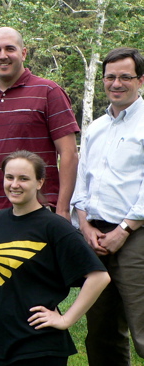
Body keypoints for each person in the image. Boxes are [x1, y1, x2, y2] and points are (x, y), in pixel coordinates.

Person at [0, 150, 110, 366]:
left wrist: (66, 319)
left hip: (37, 345)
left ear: (39, 183)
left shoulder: (54, 226)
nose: (14, 184)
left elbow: (99, 277)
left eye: (23, 178)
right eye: (9, 177)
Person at [0, 27, 80, 253]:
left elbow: (69, 153)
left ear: (23, 53)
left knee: (33, 283)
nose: (2, 55)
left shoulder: (49, 91)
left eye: (10, 48)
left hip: (35, 210)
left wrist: (62, 209)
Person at [71, 47, 144, 366]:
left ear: (140, 80)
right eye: (110, 77)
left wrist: (125, 229)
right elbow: (82, 182)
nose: (116, 83)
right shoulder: (96, 127)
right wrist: (84, 225)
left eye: (125, 77)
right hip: (95, 238)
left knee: (143, 329)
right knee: (100, 331)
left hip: (135, 237)